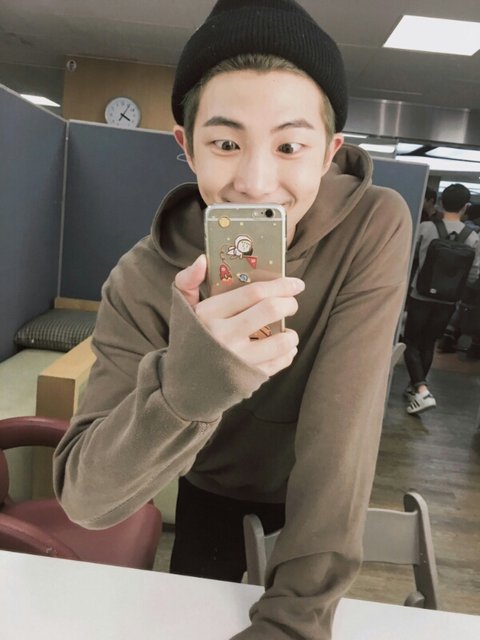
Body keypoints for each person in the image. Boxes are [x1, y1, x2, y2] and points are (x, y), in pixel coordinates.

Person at [53, 1, 411, 638]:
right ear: (187, 147)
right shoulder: (141, 278)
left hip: (310, 495)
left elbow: (341, 433)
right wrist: (191, 385)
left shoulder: (373, 225)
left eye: (289, 145)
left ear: (328, 152)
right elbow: (87, 498)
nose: (255, 181)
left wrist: (293, 622)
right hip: (208, 486)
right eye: (225, 143)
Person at [404, 183, 480, 414]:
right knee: (428, 343)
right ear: (465, 207)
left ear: (439, 202)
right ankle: (415, 388)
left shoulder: (426, 227)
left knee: (411, 342)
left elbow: (409, 257)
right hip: (448, 301)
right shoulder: (473, 237)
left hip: (420, 295)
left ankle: (422, 390)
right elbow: (474, 273)